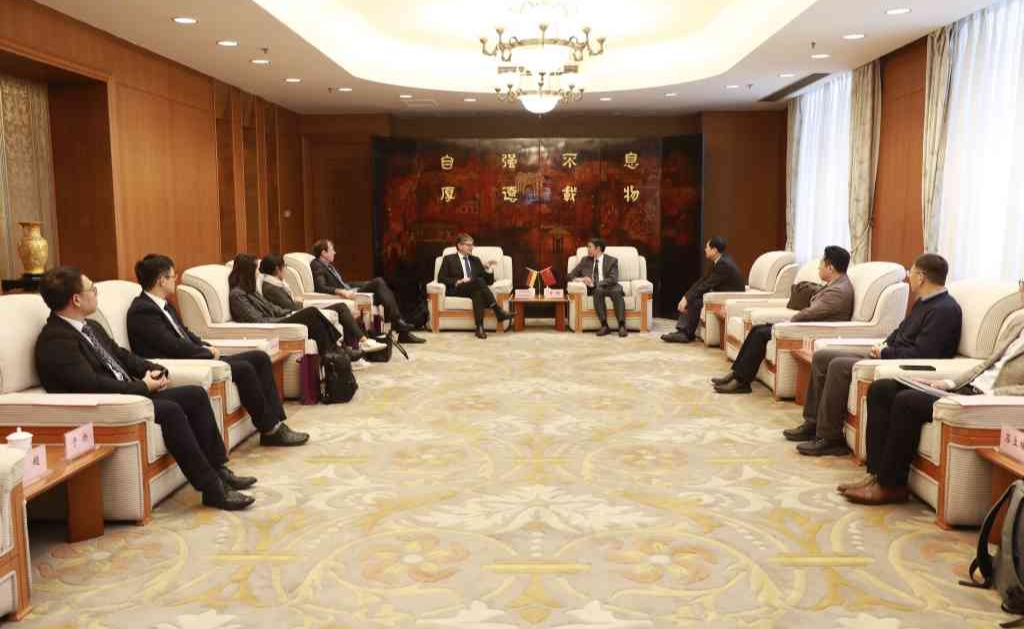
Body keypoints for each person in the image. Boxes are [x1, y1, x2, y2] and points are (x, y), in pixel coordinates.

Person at [35, 266, 255, 511]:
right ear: (76, 299)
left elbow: (121, 355)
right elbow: (89, 384)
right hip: (109, 405)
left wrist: (153, 369)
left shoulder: (91, 326)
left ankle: (219, 470)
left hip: (129, 392)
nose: (96, 293)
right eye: (92, 289)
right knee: (171, 411)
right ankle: (212, 489)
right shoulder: (56, 340)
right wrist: (141, 386)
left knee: (194, 394)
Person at [843, 295, 1024, 506]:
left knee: (907, 401)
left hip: (985, 399)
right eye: (1021, 282)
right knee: (881, 389)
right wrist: (946, 383)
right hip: (965, 388)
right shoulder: (1018, 321)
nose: (1021, 289)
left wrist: (990, 395)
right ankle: (875, 475)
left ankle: (891, 486)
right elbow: (986, 365)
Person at [785, 253, 963, 456]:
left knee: (838, 365)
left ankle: (830, 438)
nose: (908, 277)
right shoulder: (923, 302)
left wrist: (886, 352)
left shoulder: (944, 310)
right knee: (823, 356)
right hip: (889, 354)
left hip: (898, 362)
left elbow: (924, 353)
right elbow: (900, 331)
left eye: (911, 272)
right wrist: (883, 345)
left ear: (921, 277)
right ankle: (812, 422)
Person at [127, 254, 309, 448]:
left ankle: (277, 423)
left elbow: (185, 334)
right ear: (161, 280)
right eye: (173, 276)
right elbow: (171, 346)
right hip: (184, 363)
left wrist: (205, 345)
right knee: (245, 368)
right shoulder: (142, 311)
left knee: (260, 357)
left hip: (197, 355)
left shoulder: (164, 305)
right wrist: (205, 353)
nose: (175, 280)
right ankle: (270, 429)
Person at [713, 246, 855, 394]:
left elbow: (810, 313)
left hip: (813, 331)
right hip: (807, 326)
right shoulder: (837, 284)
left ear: (830, 268)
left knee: (761, 334)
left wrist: (789, 322)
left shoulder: (838, 291)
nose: (819, 266)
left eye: (822, 263)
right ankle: (737, 374)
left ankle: (742, 382)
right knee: (757, 329)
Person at [228, 254, 360, 363]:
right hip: (271, 324)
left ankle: (335, 353)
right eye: (256, 269)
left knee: (314, 319)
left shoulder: (251, 291)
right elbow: (257, 320)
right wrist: (285, 317)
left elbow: (272, 308)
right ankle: (337, 352)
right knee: (311, 312)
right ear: (248, 271)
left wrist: (290, 313)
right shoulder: (237, 295)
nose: (259, 273)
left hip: (276, 319)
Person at [258, 254, 386, 355]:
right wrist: (305, 304)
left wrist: (299, 301)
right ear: (277, 269)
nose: (286, 269)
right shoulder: (270, 288)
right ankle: (360, 342)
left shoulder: (277, 284)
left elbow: (289, 303)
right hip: (293, 314)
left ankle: (359, 343)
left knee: (341, 307)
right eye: (284, 266)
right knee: (337, 309)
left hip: (296, 310)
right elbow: (290, 307)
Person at [309, 239, 425, 344]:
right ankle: (399, 326)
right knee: (378, 282)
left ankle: (400, 330)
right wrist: (341, 291)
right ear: (323, 253)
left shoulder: (327, 265)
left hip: (348, 288)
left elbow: (340, 282)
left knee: (382, 292)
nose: (334, 252)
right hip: (346, 294)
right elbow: (321, 287)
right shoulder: (317, 265)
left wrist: (350, 287)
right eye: (332, 250)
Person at [662, 236, 745, 344]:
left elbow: (707, 285)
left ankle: (687, 334)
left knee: (695, 301)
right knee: (692, 297)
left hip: (729, 299)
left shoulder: (724, 264)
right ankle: (682, 331)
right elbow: (702, 281)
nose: (705, 250)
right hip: (719, 295)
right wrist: (686, 297)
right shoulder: (718, 261)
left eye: (707, 247)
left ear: (714, 250)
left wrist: (688, 298)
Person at [436, 233, 512, 339]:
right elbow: (441, 278)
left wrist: (488, 269)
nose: (472, 247)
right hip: (458, 289)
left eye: (472, 245)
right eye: (469, 245)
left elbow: (488, 282)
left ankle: (480, 328)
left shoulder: (475, 260)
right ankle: (497, 310)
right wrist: (457, 281)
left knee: (478, 292)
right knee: (479, 283)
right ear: (459, 246)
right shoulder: (449, 259)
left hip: (473, 288)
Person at [567, 237, 628, 337]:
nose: (587, 249)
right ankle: (604, 326)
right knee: (598, 291)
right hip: (596, 289)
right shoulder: (585, 260)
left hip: (610, 286)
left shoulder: (612, 261)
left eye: (589, 247)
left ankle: (622, 325)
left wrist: (596, 283)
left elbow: (613, 278)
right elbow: (570, 275)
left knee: (617, 291)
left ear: (598, 248)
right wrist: (582, 279)